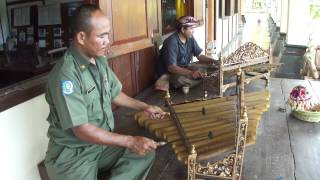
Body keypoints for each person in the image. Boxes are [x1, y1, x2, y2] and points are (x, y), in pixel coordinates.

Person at [44, 4, 166, 180]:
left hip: (100, 147)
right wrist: (129, 140)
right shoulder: (66, 75)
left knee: (144, 152)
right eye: (102, 36)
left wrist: (145, 106)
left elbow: (115, 94)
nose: (107, 41)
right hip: (73, 155)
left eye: (107, 34)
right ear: (81, 37)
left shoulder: (98, 59)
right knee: (136, 144)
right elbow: (82, 130)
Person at [156, 16, 218, 89]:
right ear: (182, 29)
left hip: (185, 67)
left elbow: (199, 55)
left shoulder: (190, 38)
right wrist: (191, 73)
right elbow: (171, 68)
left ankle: (198, 81)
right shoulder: (171, 42)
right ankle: (203, 80)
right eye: (191, 29)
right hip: (171, 73)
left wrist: (214, 61)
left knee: (211, 67)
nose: (193, 31)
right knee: (179, 80)